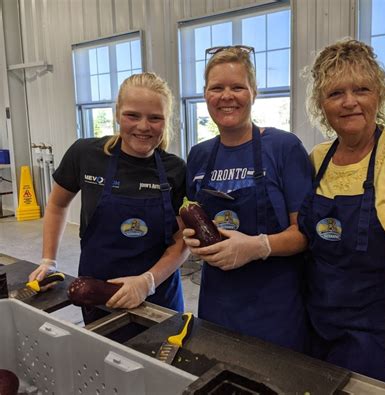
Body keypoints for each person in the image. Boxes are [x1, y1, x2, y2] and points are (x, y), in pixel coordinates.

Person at [298, 38, 385, 393]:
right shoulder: (316, 158)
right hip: (313, 325)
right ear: (321, 104)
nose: (349, 102)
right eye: (335, 93)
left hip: (373, 337)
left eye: (361, 89)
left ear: (378, 94)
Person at [183, 45, 313, 352]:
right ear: (206, 95)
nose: (227, 96)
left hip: (275, 307)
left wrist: (256, 246)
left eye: (237, 87)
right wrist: (191, 238)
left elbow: (305, 235)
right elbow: (192, 217)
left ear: (253, 92)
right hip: (218, 302)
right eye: (217, 87)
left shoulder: (284, 147)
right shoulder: (199, 155)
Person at [29, 72, 188, 322]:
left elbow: (182, 240)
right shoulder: (85, 154)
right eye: (132, 115)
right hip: (96, 292)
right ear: (117, 113)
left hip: (158, 297)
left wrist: (147, 282)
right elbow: (57, 204)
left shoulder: (176, 169)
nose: (143, 126)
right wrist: (49, 259)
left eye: (155, 118)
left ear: (166, 121)